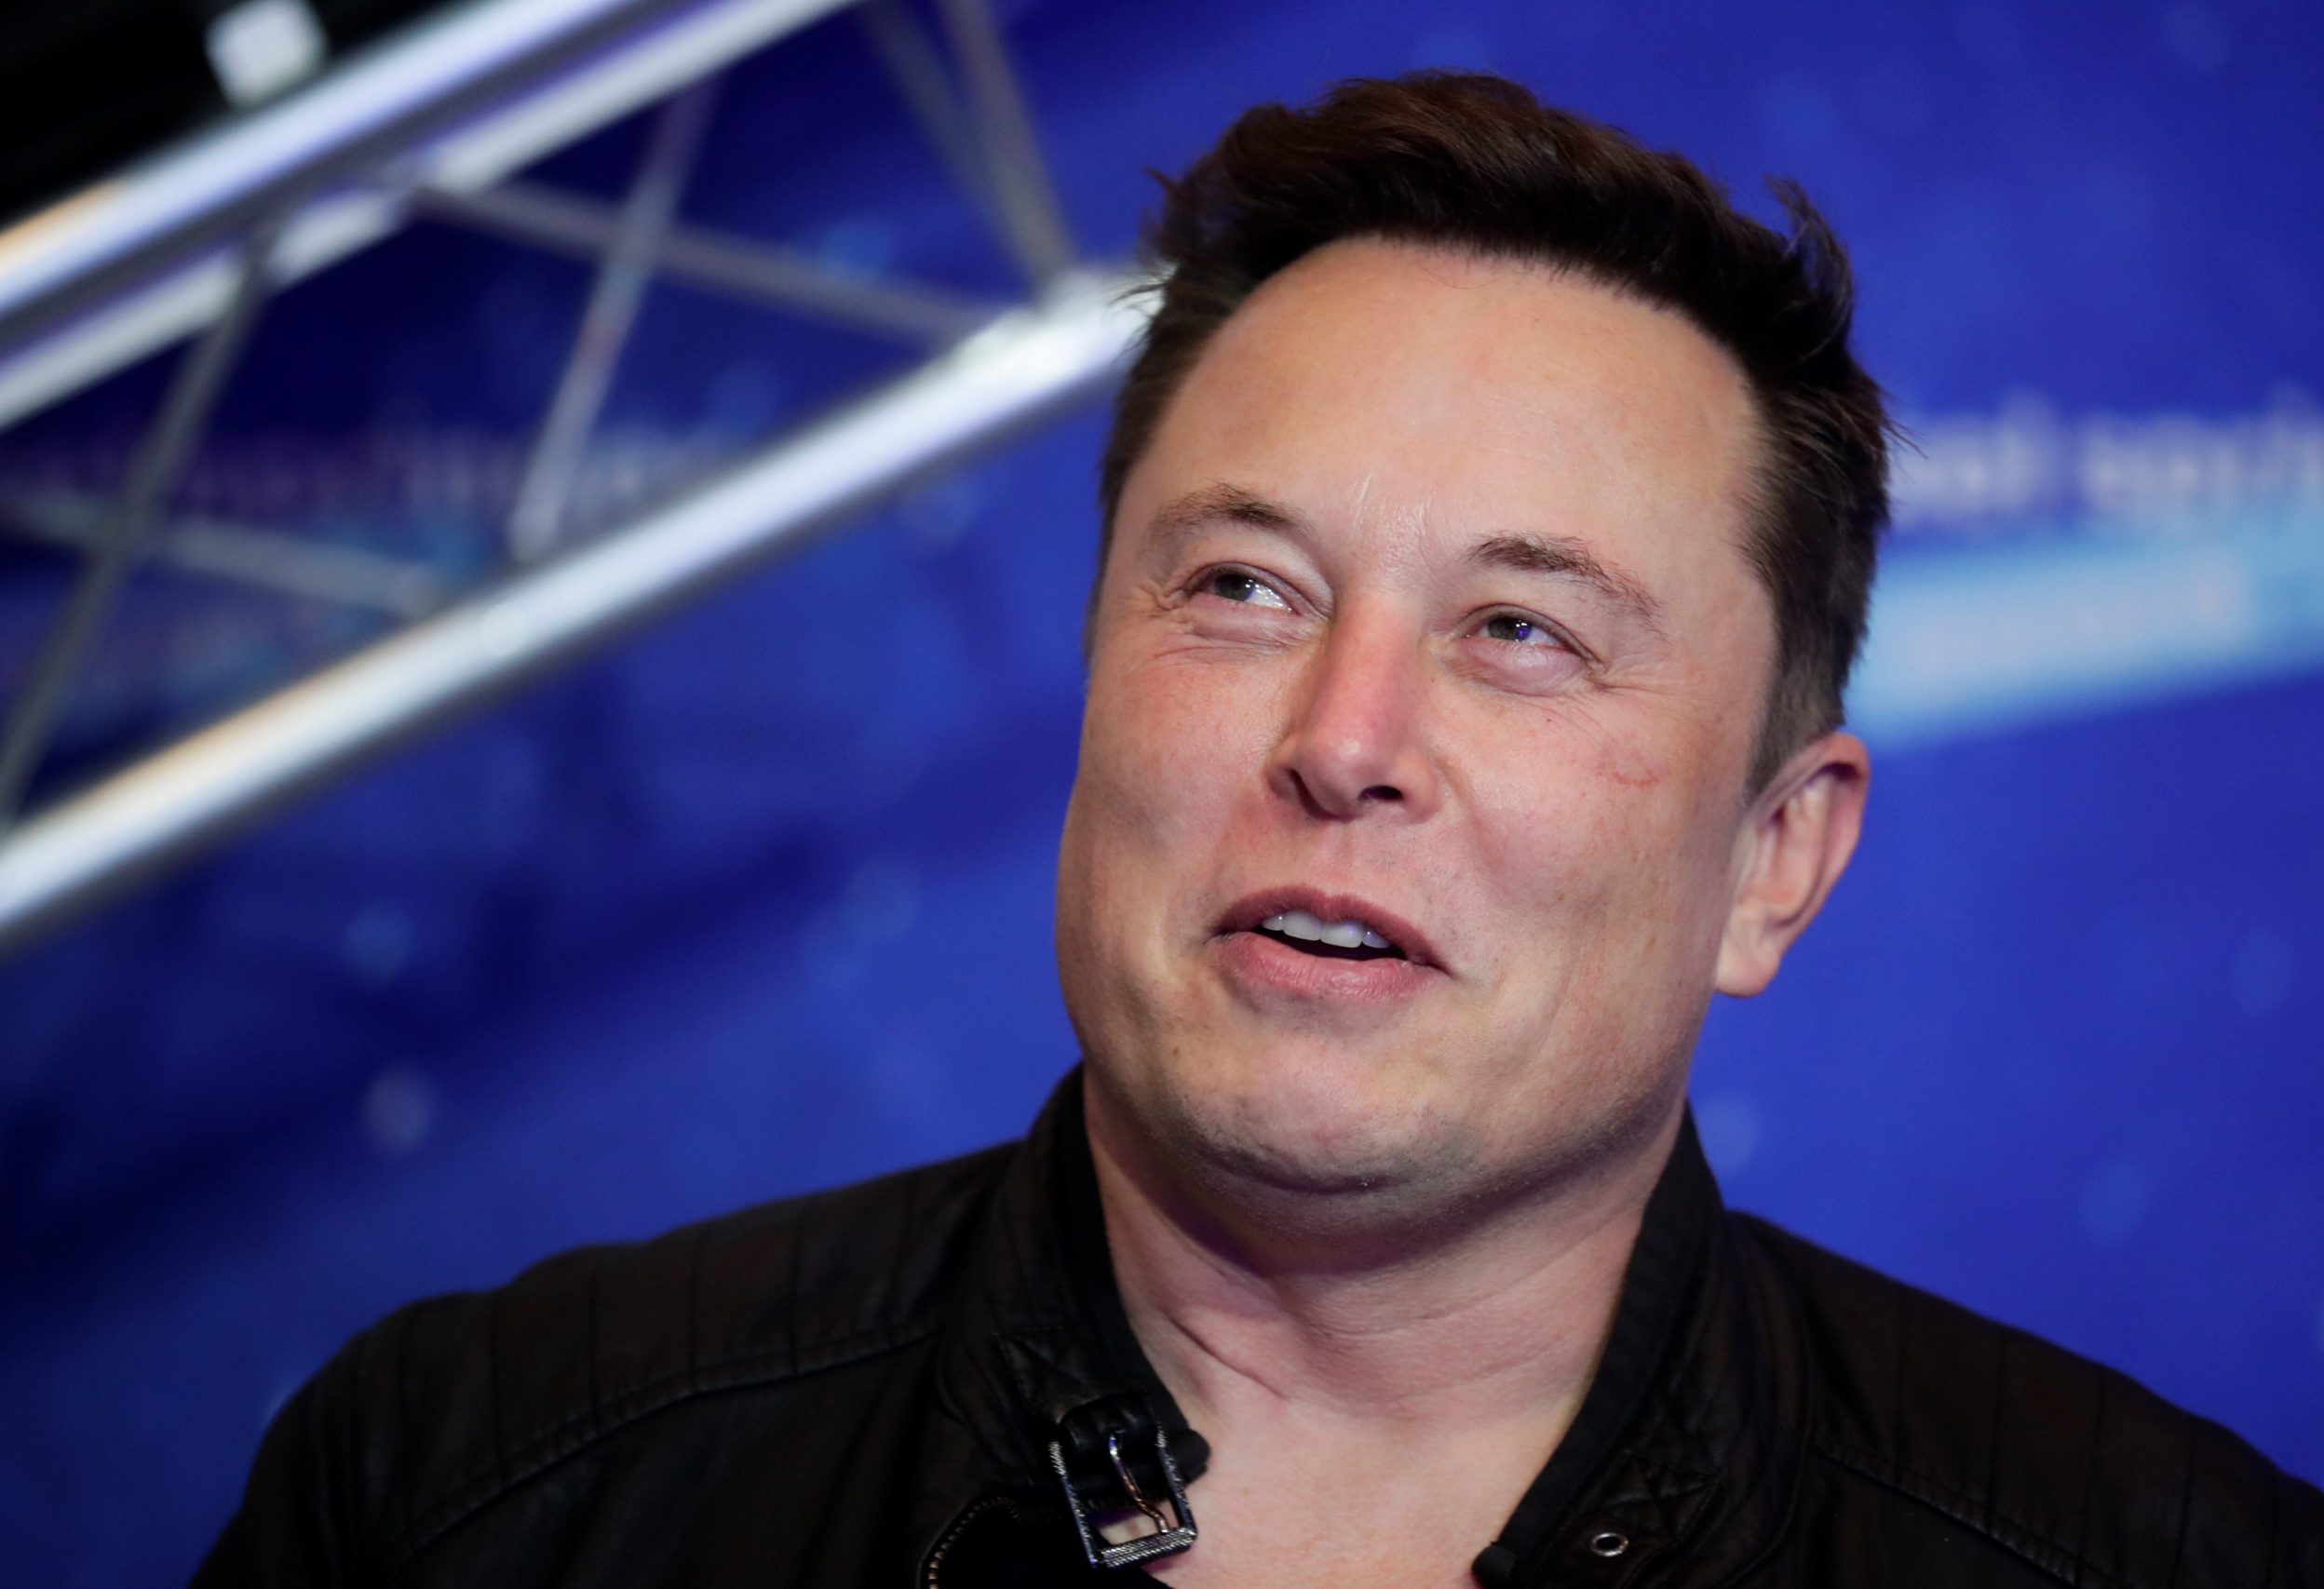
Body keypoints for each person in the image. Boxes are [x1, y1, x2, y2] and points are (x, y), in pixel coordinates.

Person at [195, 73, 2324, 1588]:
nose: (1342, 739)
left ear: (1772, 857)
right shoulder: (480, 1483)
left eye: (1516, 628)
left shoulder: (2142, 1553)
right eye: (1242, 589)